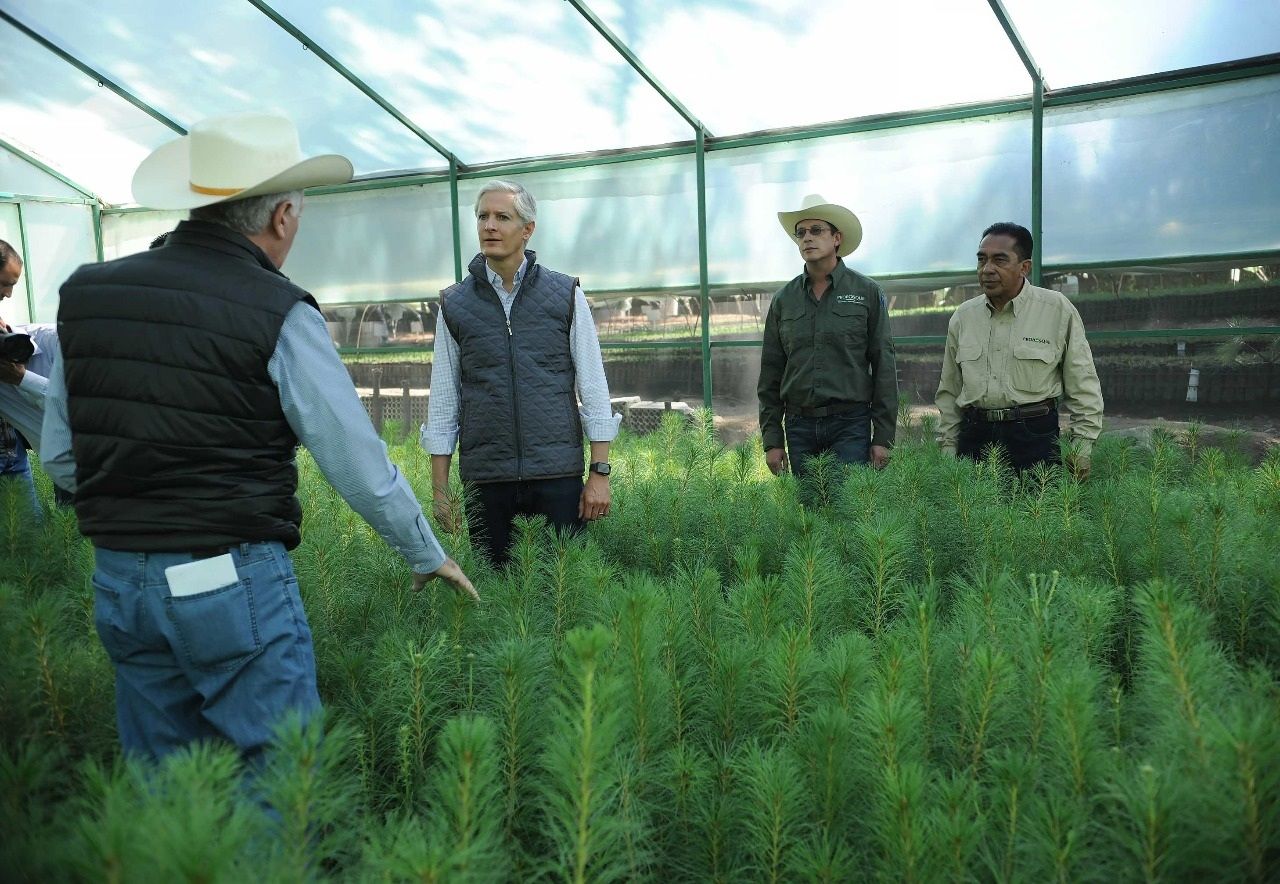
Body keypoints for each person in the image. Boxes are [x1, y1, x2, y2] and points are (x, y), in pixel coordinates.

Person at [40, 112, 476, 766]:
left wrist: (127, 519)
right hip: (225, 578)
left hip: (119, 579)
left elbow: (61, 454)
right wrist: (422, 548)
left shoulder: (89, 293)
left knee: (166, 788)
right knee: (276, 781)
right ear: (281, 219)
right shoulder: (275, 306)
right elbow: (352, 455)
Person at [422, 180, 620, 567]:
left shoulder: (565, 295)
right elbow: (443, 398)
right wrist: (440, 489)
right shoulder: (454, 304)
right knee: (497, 596)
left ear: (527, 229)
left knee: (564, 591)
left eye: (502, 217)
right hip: (486, 479)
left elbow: (593, 385)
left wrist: (599, 472)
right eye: (482, 217)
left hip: (557, 476)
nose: (489, 226)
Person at [935, 222, 1103, 478]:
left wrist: (1081, 447)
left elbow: (1083, 384)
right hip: (975, 437)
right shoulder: (963, 317)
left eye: (999, 260)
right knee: (974, 517)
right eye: (982, 260)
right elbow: (950, 390)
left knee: (1037, 513)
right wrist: (948, 447)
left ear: (1024, 267)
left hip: (1034, 437)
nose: (987, 269)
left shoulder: (1056, 310)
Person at [757, 194, 898, 496]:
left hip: (850, 423)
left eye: (816, 230)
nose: (807, 238)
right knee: (808, 518)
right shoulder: (784, 300)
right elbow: (770, 372)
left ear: (837, 238)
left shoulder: (867, 293)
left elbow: (884, 364)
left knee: (850, 509)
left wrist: (883, 437)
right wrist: (772, 439)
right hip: (799, 426)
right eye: (801, 233)